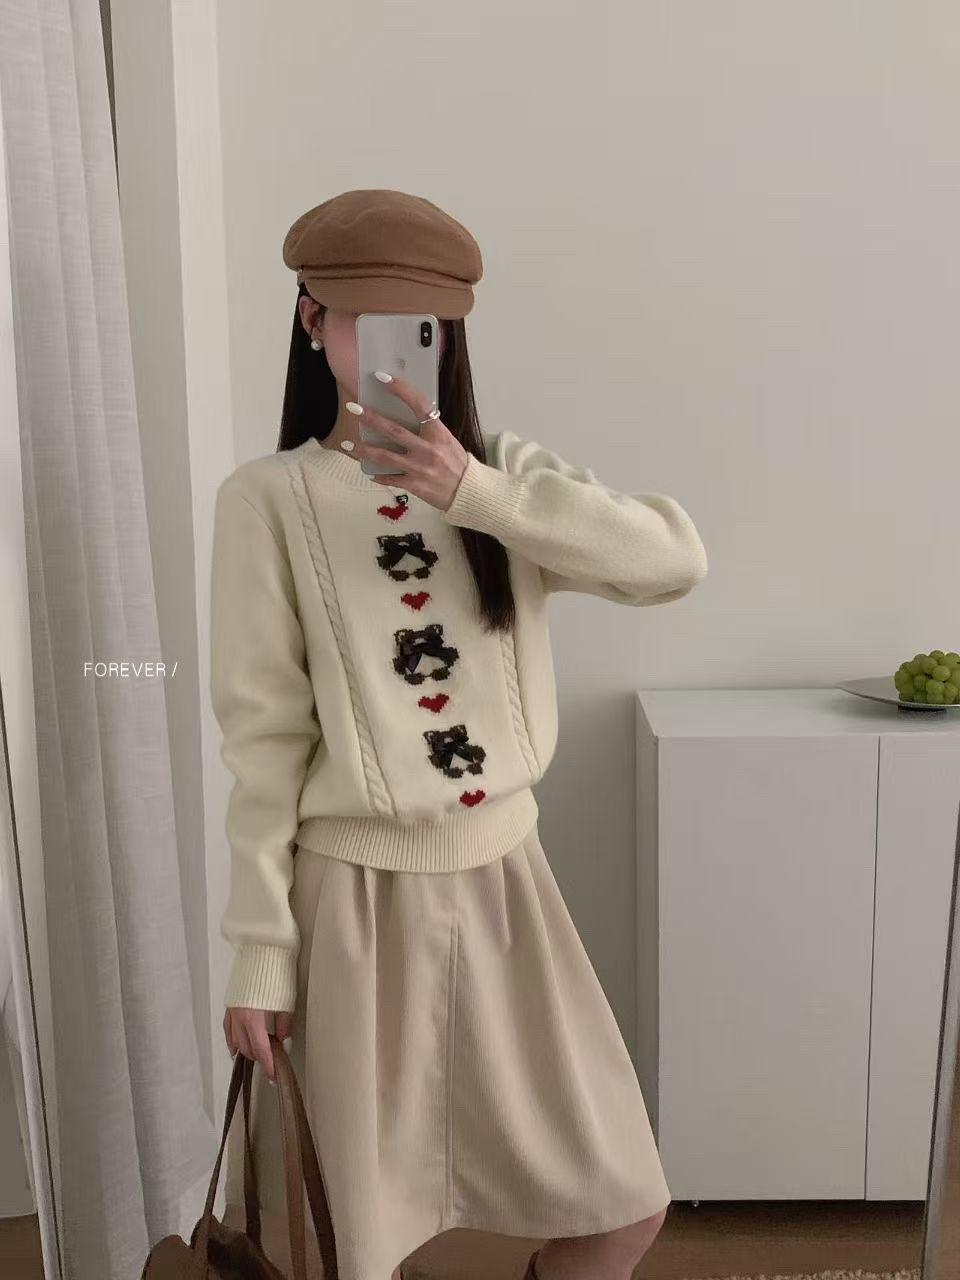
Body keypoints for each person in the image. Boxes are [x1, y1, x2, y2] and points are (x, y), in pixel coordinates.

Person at [211, 188, 709, 1280]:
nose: (399, 345)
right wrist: (260, 951)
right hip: (354, 906)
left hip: (507, 891)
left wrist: (476, 490)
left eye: (422, 326)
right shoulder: (268, 501)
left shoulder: (505, 477)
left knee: (623, 1201)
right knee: (354, 1241)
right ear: (311, 319)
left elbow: (672, 562)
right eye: (368, 317)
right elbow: (262, 743)